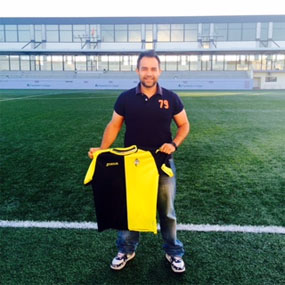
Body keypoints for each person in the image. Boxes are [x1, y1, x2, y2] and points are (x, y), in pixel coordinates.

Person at [88, 50, 190, 273]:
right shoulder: (125, 98)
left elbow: (184, 125)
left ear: (159, 71)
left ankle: (173, 252)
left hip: (162, 163)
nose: (149, 73)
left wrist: (174, 144)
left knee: (167, 212)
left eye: (153, 69)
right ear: (137, 70)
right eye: (144, 68)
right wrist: (102, 150)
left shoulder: (171, 98)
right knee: (130, 210)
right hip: (132, 165)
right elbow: (114, 125)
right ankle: (126, 249)